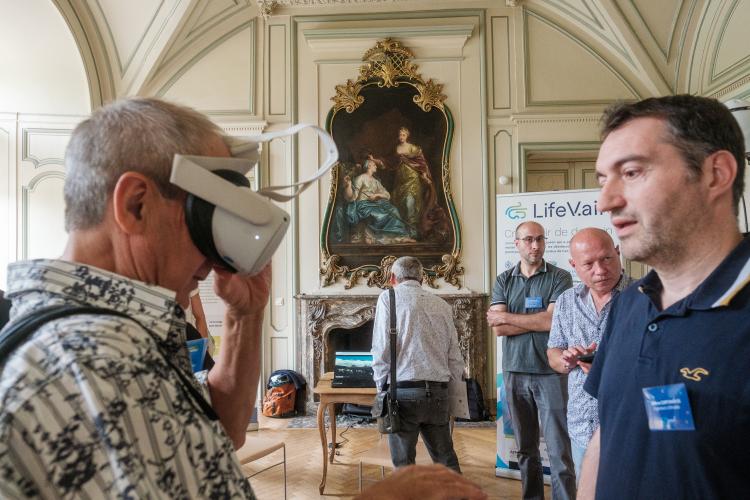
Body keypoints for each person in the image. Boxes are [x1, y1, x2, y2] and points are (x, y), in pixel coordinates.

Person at [0, 97, 270, 498]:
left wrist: (244, 316)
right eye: (206, 216)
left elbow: (219, 431)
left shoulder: (126, 333)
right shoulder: (87, 361)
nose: (217, 251)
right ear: (135, 204)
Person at [578, 95, 749, 499]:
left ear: (715, 173)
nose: (606, 201)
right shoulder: (628, 304)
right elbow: (608, 434)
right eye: (603, 180)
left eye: (632, 172)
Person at [487, 221, 576, 500]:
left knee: (559, 449)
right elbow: (498, 328)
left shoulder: (560, 277)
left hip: (550, 373)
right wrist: (536, 322)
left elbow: (552, 320)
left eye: (539, 239)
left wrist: (510, 317)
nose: (535, 245)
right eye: (528, 239)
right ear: (517, 243)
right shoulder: (503, 280)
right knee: (526, 449)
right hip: (514, 373)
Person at [546, 228, 633, 480]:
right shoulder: (566, 301)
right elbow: (553, 350)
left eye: (607, 258)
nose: (600, 269)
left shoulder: (644, 296)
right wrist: (566, 359)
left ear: (618, 253)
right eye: (588, 264)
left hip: (629, 423)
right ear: (574, 265)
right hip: (583, 422)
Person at [371, 256, 465, 472]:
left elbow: (381, 350)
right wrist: (454, 396)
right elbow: (455, 357)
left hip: (402, 395)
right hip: (438, 394)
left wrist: (381, 389)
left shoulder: (388, 298)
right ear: (422, 278)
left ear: (393, 278)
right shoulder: (442, 304)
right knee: (446, 461)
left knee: (404, 467)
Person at [388, 127, 447, 241]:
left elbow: (421, 163)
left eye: (403, 135)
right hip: (400, 180)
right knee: (400, 205)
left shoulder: (413, 148)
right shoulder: (396, 148)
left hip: (412, 179)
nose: (401, 137)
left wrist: (424, 175)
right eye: (400, 135)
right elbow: (390, 162)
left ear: (407, 135)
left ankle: (413, 231)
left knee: (410, 203)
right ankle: (404, 232)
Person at [342, 155, 414, 244]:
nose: (376, 166)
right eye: (374, 165)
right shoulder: (361, 178)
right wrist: (348, 185)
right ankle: (379, 237)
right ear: (369, 166)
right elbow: (352, 197)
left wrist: (378, 195)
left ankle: (400, 236)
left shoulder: (375, 181)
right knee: (381, 215)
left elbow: (387, 195)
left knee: (394, 210)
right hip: (363, 206)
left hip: (376, 204)